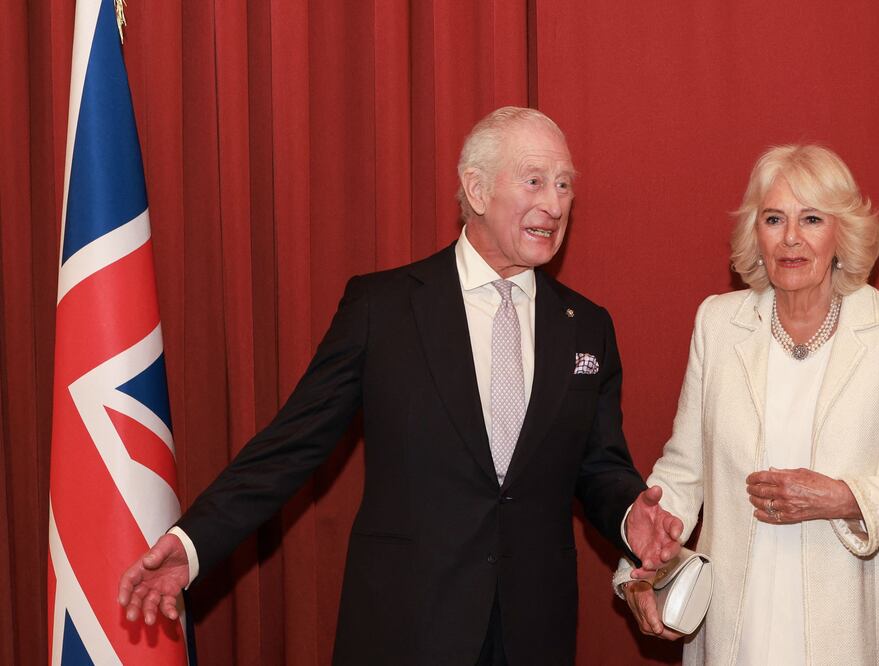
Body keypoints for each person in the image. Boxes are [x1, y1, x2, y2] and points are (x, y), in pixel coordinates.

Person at [118, 106, 682, 665]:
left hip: (534, 633)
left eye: (564, 185)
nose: (554, 205)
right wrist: (193, 546)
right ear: (477, 190)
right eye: (535, 181)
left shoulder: (587, 326)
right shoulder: (383, 309)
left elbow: (599, 465)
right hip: (407, 628)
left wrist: (631, 515)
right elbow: (292, 446)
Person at [614, 145, 879, 664]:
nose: (791, 238)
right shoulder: (717, 322)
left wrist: (844, 497)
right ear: (756, 233)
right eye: (774, 219)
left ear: (842, 233)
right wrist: (638, 570)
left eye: (812, 219)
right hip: (735, 623)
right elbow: (684, 472)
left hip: (846, 622)